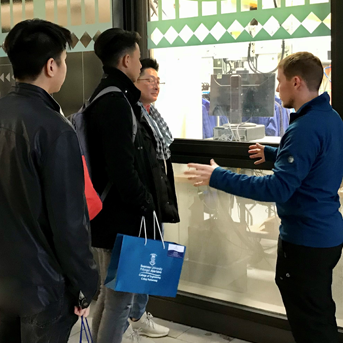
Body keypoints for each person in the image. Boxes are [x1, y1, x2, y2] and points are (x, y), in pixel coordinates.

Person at [185, 52, 343, 343]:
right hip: (326, 235)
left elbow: (276, 189)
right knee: (319, 314)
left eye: (280, 82)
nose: (278, 89)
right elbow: (314, 165)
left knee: (311, 325)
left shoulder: (304, 129)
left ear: (296, 82)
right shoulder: (330, 118)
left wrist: (218, 176)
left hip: (305, 240)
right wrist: (274, 154)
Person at [0, 19, 98, 343]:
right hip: (43, 289)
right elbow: (69, 222)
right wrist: (85, 284)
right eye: (65, 59)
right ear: (51, 65)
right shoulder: (55, 129)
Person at [87, 29, 179, 343]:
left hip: (110, 213)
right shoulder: (115, 101)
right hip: (121, 217)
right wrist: (146, 203)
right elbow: (122, 168)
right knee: (119, 299)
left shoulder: (106, 95)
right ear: (126, 60)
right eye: (138, 58)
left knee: (111, 294)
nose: (140, 65)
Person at [127, 58, 179, 338]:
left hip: (155, 200)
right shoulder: (133, 115)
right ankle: (133, 317)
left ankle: (136, 314)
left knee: (150, 258)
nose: (155, 84)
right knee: (141, 260)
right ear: (135, 82)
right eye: (149, 79)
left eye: (158, 80)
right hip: (141, 202)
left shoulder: (151, 115)